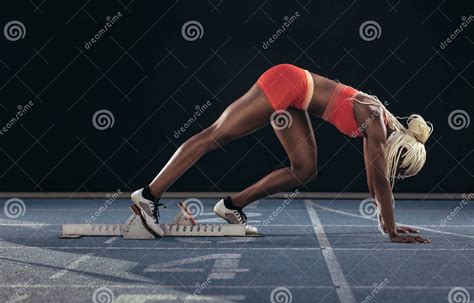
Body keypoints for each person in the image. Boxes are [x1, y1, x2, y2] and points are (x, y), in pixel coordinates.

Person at [131, 64, 433, 243]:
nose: (394, 170)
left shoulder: (379, 122)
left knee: (304, 168)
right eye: (400, 167)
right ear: (398, 150)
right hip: (287, 83)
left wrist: (385, 219)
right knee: (215, 136)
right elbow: (380, 182)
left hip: (295, 99)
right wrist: (391, 229)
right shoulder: (377, 120)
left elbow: (374, 179)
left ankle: (230, 205)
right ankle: (148, 196)